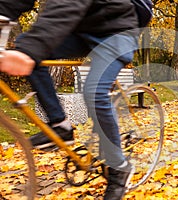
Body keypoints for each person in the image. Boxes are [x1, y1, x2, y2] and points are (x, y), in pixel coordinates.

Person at [0, 0, 139, 199]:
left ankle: (119, 168)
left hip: (116, 29)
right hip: (82, 28)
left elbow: (69, 3)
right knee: (25, 48)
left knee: (95, 92)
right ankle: (60, 125)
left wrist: (33, 48)